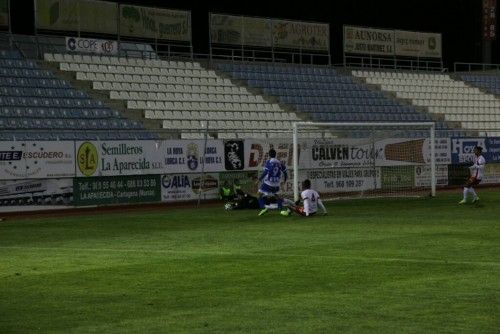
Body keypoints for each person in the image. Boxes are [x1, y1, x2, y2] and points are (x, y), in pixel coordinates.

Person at [257, 148, 288, 216]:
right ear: (275, 154)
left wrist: (259, 179)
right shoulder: (279, 162)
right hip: (276, 184)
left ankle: (263, 208)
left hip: (268, 183)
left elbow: (265, 172)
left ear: (269, 155)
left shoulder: (269, 161)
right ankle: (281, 209)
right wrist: (285, 180)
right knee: (277, 196)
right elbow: (285, 172)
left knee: (259, 194)